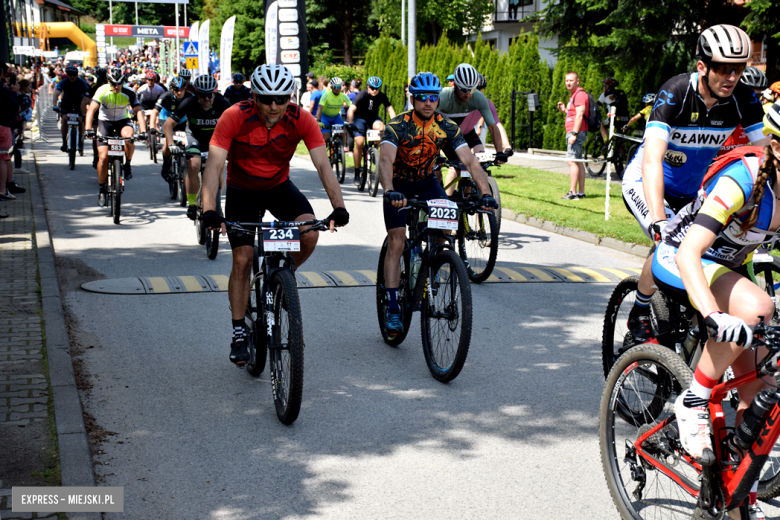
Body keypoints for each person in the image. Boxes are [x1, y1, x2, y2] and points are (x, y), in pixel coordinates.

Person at [652, 103, 780, 520]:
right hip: (679, 258)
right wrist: (713, 317)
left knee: (760, 392)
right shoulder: (743, 176)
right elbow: (690, 252)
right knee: (759, 307)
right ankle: (693, 400)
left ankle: (743, 496)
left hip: (726, 266)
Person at [621, 24, 768, 347]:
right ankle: (640, 311)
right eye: (722, 69)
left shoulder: (743, 97)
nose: (731, 78)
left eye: (738, 69)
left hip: (694, 191)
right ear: (702, 66)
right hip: (647, 181)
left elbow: (767, 153)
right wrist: (659, 218)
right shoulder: (675, 92)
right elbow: (652, 159)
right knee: (668, 240)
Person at [200, 64, 349, 366]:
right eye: (266, 98)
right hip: (242, 190)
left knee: (310, 231)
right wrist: (209, 210)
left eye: (281, 99)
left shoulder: (300, 119)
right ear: (254, 95)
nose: (273, 106)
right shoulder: (234, 116)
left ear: (289, 98)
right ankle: (239, 330)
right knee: (242, 258)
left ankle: (280, 279)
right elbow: (214, 166)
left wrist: (339, 206)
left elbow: (323, 166)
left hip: (278, 187)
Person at [378, 72, 496, 337]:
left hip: (427, 182)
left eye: (433, 97)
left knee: (445, 231)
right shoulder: (397, 125)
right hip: (398, 185)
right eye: (422, 98)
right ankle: (394, 308)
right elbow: (385, 160)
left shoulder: (446, 126)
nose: (429, 102)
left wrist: (485, 193)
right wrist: (389, 190)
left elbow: (470, 161)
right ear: (413, 98)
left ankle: (436, 263)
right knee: (397, 242)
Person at [164, 74, 231, 221]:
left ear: (215, 93)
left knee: (218, 168)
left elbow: (238, 124)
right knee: (194, 164)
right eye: (202, 95)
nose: (206, 99)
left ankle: (216, 203)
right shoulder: (189, 102)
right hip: (195, 137)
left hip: (215, 139)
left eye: (210, 95)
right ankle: (192, 203)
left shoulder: (222, 103)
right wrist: (170, 144)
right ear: (196, 94)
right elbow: (168, 124)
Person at [85, 67, 147, 206]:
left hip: (122, 121)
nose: (116, 86)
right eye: (113, 83)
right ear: (108, 81)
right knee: (103, 157)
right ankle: (101, 190)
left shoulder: (129, 93)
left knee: (129, 138)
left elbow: (138, 112)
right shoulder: (102, 90)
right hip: (105, 122)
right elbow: (91, 110)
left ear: (123, 82)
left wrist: (143, 131)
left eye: (119, 83)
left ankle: (128, 164)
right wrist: (88, 129)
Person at [346, 76, 395, 184]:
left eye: (377, 88)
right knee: (359, 143)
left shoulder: (381, 96)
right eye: (372, 88)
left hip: (372, 118)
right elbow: (351, 110)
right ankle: (357, 173)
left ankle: (374, 151)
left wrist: (395, 124)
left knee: (381, 127)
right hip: (360, 119)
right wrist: (350, 123)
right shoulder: (362, 94)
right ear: (368, 87)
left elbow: (390, 110)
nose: (374, 90)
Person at [556, 71, 589, 200]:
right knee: (578, 161)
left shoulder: (580, 95)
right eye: (566, 80)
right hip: (576, 131)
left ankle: (573, 193)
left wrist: (574, 133)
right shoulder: (574, 95)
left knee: (572, 161)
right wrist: (565, 110)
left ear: (577, 81)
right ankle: (580, 192)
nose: (568, 83)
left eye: (571, 80)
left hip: (576, 132)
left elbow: (580, 115)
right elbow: (575, 114)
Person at [457, 74, 510, 154]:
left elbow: (497, 125)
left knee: (480, 157)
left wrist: (507, 147)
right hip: (454, 133)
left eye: (481, 90)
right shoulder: (460, 101)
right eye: (475, 90)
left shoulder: (486, 103)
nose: (479, 93)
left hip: (469, 133)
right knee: (458, 162)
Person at [153, 76, 192, 181]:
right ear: (171, 88)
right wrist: (152, 127)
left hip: (181, 121)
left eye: (182, 89)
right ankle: (166, 164)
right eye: (176, 90)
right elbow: (155, 112)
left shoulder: (190, 96)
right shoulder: (165, 96)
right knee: (167, 143)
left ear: (186, 88)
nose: (179, 92)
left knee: (186, 142)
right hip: (166, 120)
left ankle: (185, 165)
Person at [55, 64, 90, 154]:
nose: (72, 77)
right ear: (67, 75)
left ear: (77, 75)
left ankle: (81, 140)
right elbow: (56, 93)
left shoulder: (81, 82)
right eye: (70, 75)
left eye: (74, 75)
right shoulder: (63, 82)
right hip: (67, 103)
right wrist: (54, 104)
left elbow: (88, 94)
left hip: (79, 104)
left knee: (80, 120)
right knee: (65, 119)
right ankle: (64, 142)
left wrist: (90, 105)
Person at [315, 77, 351, 144]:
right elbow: (320, 108)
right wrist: (318, 120)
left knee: (343, 131)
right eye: (335, 87)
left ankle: (342, 149)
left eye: (339, 87)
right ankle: (323, 152)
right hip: (325, 117)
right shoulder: (326, 95)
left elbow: (351, 106)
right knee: (326, 137)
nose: (337, 89)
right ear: (331, 87)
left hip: (336, 117)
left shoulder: (343, 96)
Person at [597, 77, 630, 141]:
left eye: (604, 85)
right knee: (619, 141)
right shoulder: (621, 93)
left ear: (608, 86)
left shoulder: (604, 94)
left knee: (602, 125)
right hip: (626, 118)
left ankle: (606, 143)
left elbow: (596, 106)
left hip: (614, 118)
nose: (603, 87)